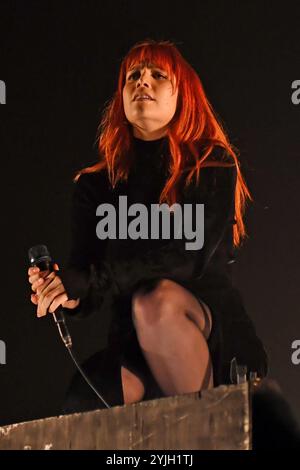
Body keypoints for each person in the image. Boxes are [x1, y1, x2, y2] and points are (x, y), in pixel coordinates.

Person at [28, 39, 268, 412]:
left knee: (155, 304)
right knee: (84, 396)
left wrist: (95, 278)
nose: (142, 82)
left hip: (208, 335)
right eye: (133, 76)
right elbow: (87, 275)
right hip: (132, 344)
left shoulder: (213, 165)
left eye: (158, 75)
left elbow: (190, 258)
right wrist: (65, 290)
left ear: (183, 94)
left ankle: (201, 433)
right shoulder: (94, 185)